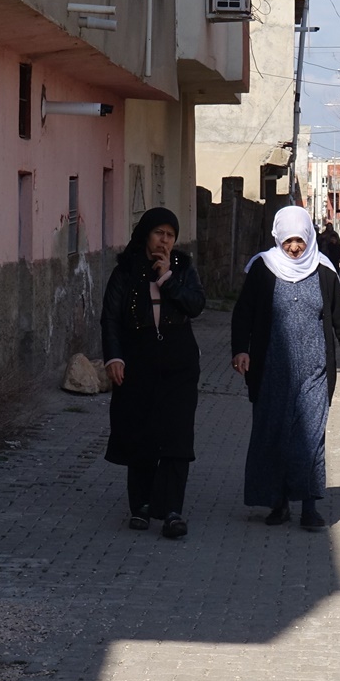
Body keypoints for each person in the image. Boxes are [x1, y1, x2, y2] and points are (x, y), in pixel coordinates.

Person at [231, 206, 340, 531]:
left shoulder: (323, 271)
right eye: (288, 241)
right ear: (278, 237)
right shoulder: (263, 268)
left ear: (309, 237)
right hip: (271, 370)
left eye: (300, 241)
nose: (294, 248)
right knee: (274, 435)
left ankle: (308, 506)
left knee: (310, 437)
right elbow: (243, 313)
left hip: (315, 370)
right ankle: (278, 504)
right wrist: (240, 350)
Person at [100, 206, 206, 539]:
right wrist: (114, 358)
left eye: (170, 236)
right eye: (159, 233)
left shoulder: (183, 269)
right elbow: (111, 319)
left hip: (179, 365)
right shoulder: (125, 271)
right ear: (146, 234)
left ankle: (172, 510)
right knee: (141, 433)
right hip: (139, 363)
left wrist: (166, 279)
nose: (164, 241)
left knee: (177, 436)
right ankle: (141, 506)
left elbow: (196, 305)